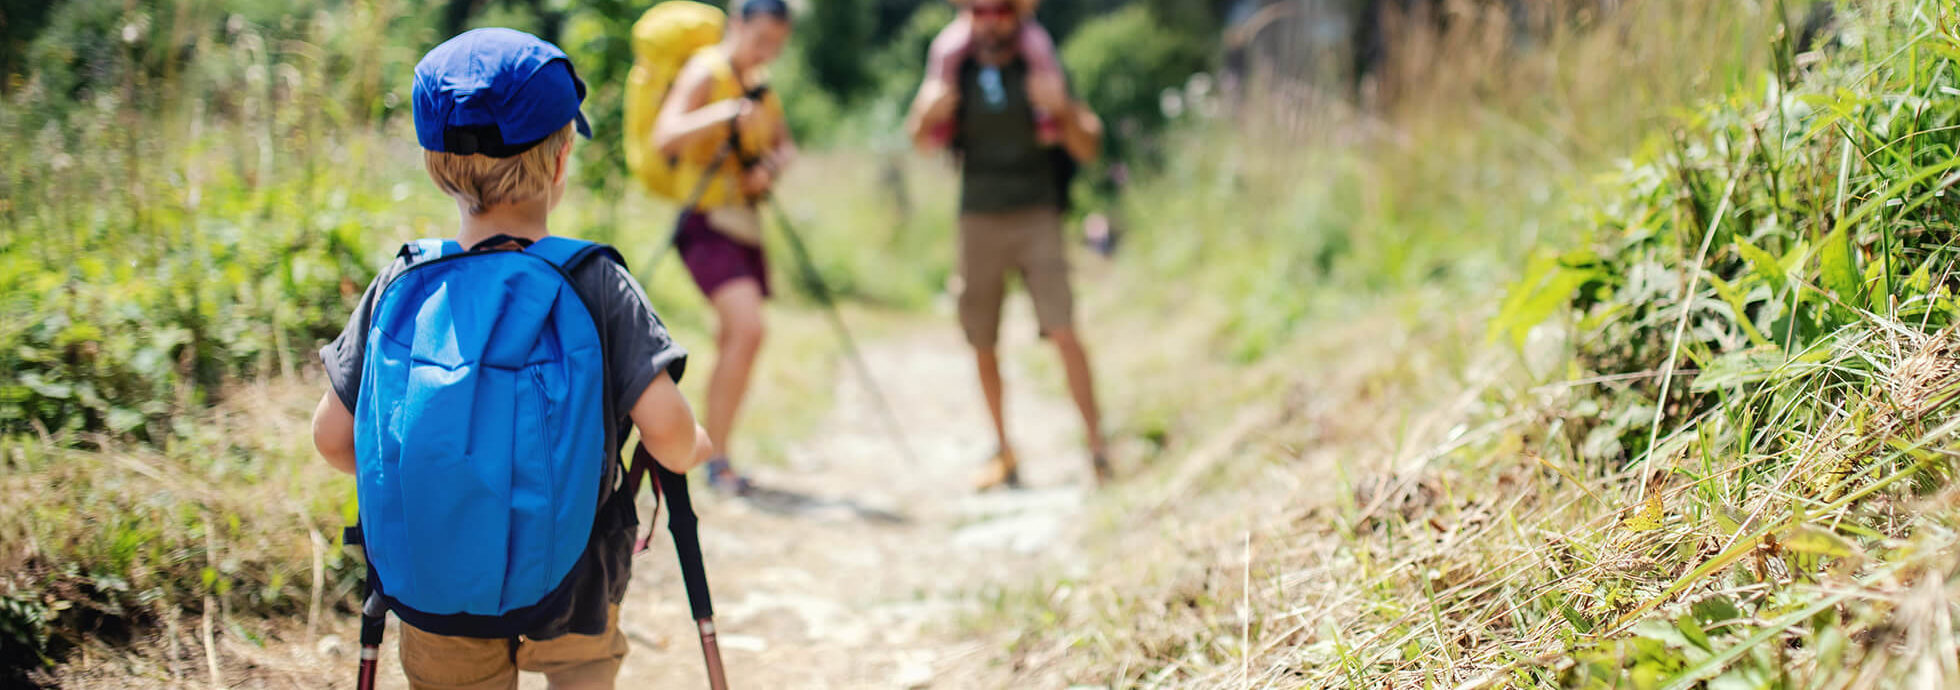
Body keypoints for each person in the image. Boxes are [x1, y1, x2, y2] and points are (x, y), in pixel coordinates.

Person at [310, 28, 710, 689]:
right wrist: (697, 446)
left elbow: (332, 439)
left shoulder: (402, 282)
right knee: (583, 671)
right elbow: (667, 435)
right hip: (575, 582)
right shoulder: (593, 280)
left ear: (436, 164)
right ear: (560, 161)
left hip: (436, 582)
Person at [906, 0, 1111, 489]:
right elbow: (920, 140)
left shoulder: (1040, 62)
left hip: (1038, 214)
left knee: (1063, 329)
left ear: (1017, 14)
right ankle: (1003, 451)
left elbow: (1088, 145)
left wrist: (1061, 110)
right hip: (977, 218)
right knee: (982, 340)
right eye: (978, 10)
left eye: (999, 9)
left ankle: (1098, 448)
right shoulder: (956, 68)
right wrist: (923, 115)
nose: (989, 19)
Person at [653, 0, 798, 495]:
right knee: (748, 329)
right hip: (704, 221)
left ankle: (718, 456)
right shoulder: (706, 72)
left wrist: (771, 169)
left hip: (744, 225)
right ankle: (710, 457)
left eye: (777, 44)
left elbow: (785, 145)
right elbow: (664, 137)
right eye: (760, 39)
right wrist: (721, 114)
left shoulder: (761, 85)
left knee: (740, 336)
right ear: (737, 24)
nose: (767, 51)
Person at [922, 0, 1066, 145]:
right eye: (980, 12)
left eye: (1002, 11)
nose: (991, 20)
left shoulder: (1028, 32)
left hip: (1021, 28)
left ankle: (1044, 115)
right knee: (945, 52)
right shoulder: (960, 32)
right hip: (967, 30)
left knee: (1040, 50)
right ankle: (944, 117)